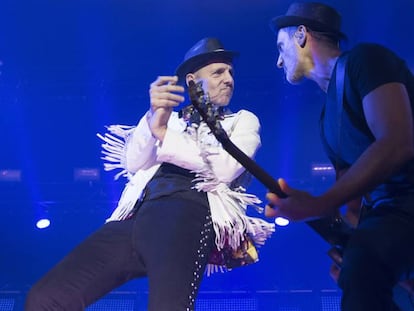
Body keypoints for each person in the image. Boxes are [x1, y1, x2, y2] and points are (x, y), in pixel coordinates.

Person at [24, 37, 275, 311]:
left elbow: (227, 168)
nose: (228, 79)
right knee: (46, 298)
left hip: (189, 212)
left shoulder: (241, 120)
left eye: (230, 73)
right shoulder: (170, 119)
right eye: (218, 72)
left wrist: (164, 135)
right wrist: (154, 115)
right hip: (139, 215)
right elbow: (133, 162)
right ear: (192, 81)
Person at [265, 2, 414, 310]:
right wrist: (353, 247)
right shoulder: (326, 121)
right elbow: (354, 207)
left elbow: (398, 141)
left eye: (281, 47)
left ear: (302, 35)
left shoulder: (366, 60)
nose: (279, 62)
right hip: (390, 218)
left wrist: (320, 203)